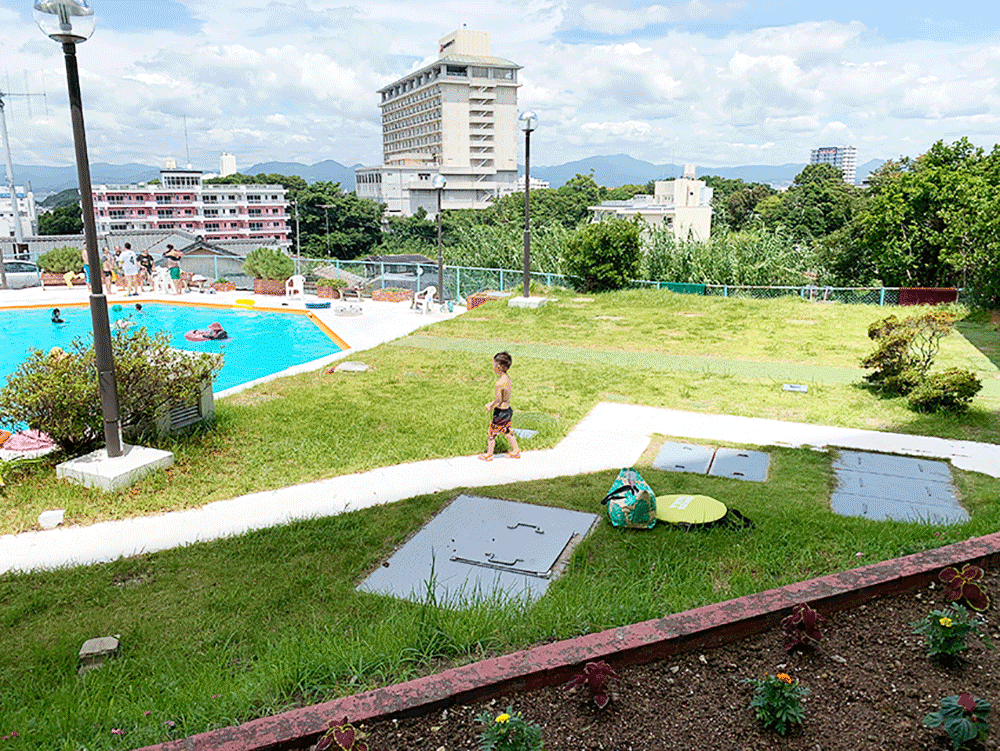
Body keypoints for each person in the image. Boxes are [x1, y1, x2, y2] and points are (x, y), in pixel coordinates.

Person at [478, 351, 521, 461]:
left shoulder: (499, 383)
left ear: (498, 367)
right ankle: (516, 451)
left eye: (494, 364)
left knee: (491, 432)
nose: (493, 367)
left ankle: (489, 454)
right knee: (507, 430)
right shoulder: (507, 379)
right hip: (508, 410)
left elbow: (498, 400)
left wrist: (490, 406)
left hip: (500, 412)